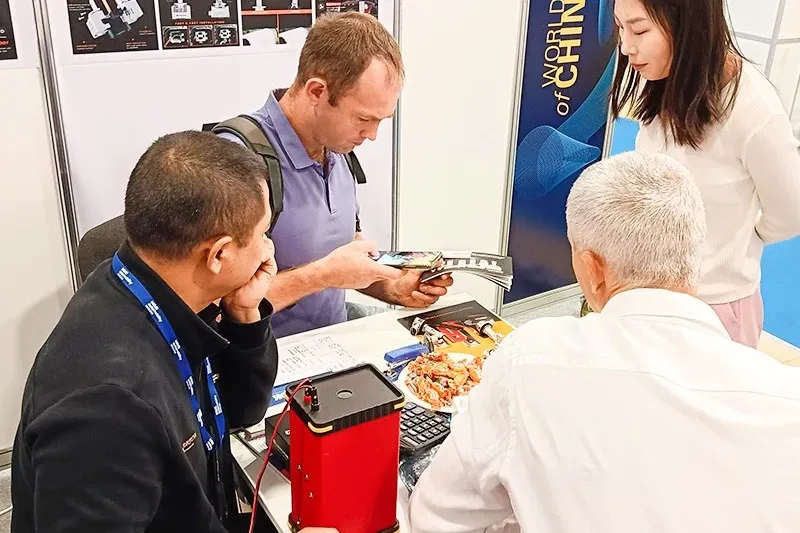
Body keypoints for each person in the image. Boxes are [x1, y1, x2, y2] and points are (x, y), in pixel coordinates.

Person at [408, 152, 800, 533]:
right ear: (695, 256)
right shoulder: (787, 397)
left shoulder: (530, 361)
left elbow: (436, 517)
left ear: (592, 269)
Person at [12, 131, 284, 533]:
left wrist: (243, 312)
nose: (268, 248)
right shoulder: (107, 410)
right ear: (218, 254)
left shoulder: (150, 285)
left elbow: (241, 411)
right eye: (262, 234)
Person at [216, 12, 452, 338]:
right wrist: (321, 275)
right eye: (363, 119)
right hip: (266, 356)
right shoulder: (236, 160)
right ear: (317, 91)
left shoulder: (337, 149)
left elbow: (344, 257)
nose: (372, 135)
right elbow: (220, 307)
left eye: (381, 120)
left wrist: (393, 287)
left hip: (335, 345)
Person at [609, 0, 800, 347]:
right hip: (654, 295)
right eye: (620, 27)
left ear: (687, 22)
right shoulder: (665, 79)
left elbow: (790, 213)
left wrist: (736, 243)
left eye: (639, 30)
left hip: (715, 309)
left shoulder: (754, 111)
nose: (626, 47)